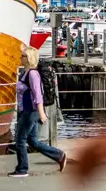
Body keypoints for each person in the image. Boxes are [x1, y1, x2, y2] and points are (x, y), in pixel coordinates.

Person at [10, 47, 67, 178]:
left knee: (20, 139)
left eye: (23, 56)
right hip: (25, 110)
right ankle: (59, 155)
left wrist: (41, 114)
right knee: (32, 141)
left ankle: (22, 169)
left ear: (29, 58)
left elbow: (38, 95)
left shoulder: (33, 74)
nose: (20, 57)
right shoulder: (26, 72)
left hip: (30, 111)